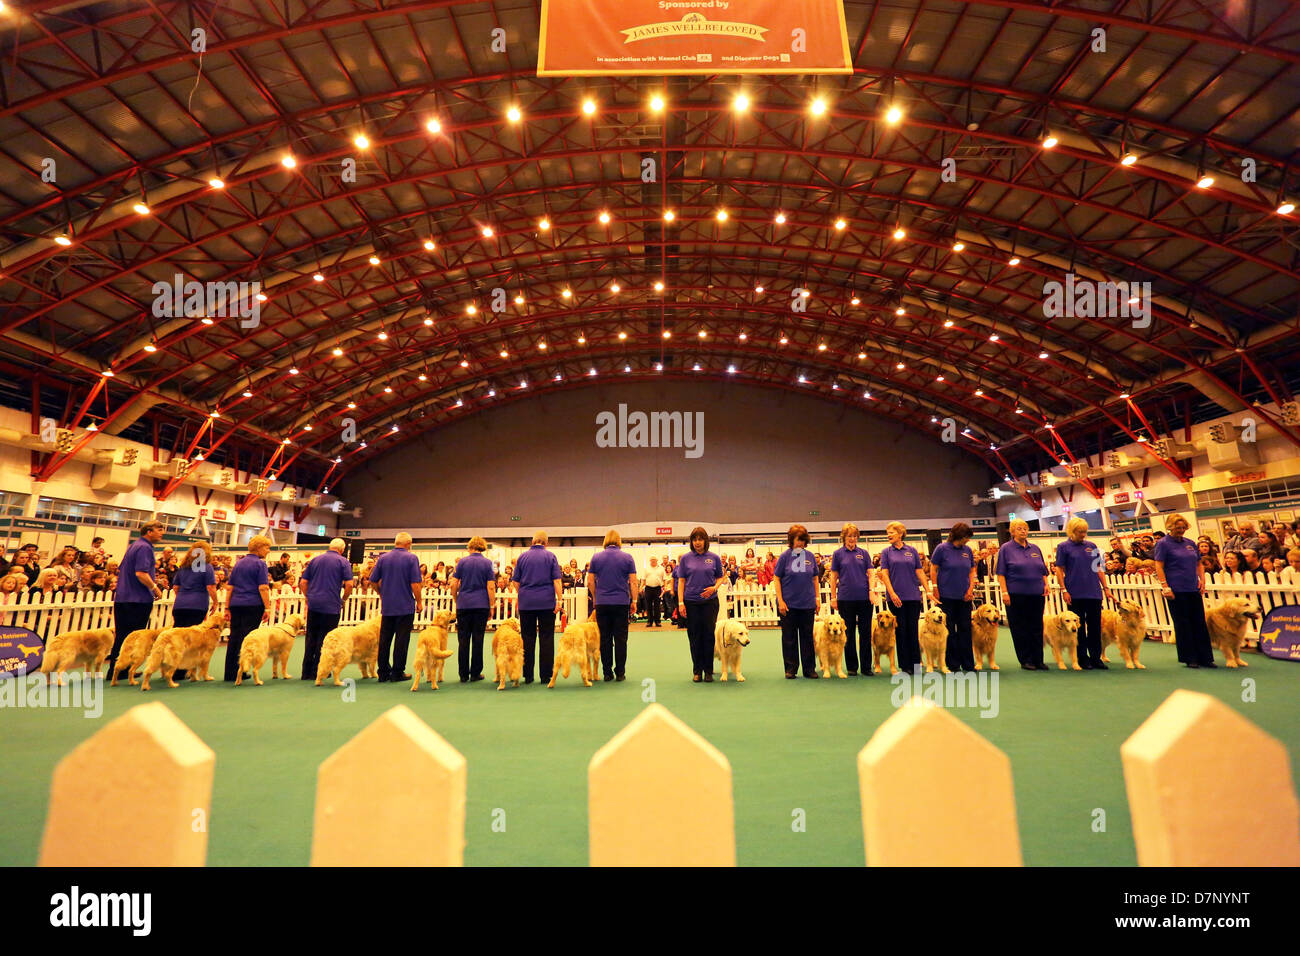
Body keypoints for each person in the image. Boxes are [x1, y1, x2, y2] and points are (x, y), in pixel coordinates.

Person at [1154, 513, 1216, 668]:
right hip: (1176, 589)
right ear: (1170, 527)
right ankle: (1190, 658)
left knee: (1199, 622)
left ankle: (1206, 657)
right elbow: (1159, 566)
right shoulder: (1163, 544)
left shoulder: (1190, 543)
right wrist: (1165, 586)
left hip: (1192, 587)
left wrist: (1202, 579)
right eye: (1177, 528)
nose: (1181, 530)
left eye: (1183, 528)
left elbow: (1198, 563)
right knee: (1183, 624)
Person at [1054, 518, 1115, 670]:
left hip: (1093, 592)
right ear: (1072, 531)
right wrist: (1063, 589)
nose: (1083, 534)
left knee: (1095, 627)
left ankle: (1096, 657)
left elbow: (1099, 568)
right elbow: (1059, 569)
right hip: (1074, 592)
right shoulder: (1063, 547)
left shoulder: (1092, 546)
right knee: (1078, 628)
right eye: (1080, 532)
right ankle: (1082, 658)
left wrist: (1106, 588)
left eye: (1085, 532)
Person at [108, 521, 166, 675]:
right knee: (133, 637)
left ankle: (119, 669)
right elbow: (141, 573)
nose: (162, 533)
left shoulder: (134, 546)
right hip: (137, 599)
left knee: (122, 635)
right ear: (149, 531)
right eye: (159, 530)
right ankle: (122, 670)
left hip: (124, 597)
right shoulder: (145, 548)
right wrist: (155, 588)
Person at [299, 538, 355, 680]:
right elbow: (349, 585)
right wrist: (343, 599)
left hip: (314, 604)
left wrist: (308, 596)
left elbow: (303, 582)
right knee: (327, 639)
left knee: (311, 637)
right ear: (342, 550)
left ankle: (306, 672)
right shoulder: (343, 562)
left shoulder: (315, 560)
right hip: (331, 606)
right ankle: (321, 670)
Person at [674, 527, 726, 682]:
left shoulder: (714, 558)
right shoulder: (685, 559)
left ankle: (708, 671)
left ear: (705, 541)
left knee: (709, 636)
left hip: (710, 603)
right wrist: (681, 602)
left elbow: (720, 578)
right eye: (694, 539)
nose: (697, 542)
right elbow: (681, 581)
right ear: (692, 542)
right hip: (691, 603)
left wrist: (714, 588)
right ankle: (697, 671)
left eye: (700, 539)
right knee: (695, 637)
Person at [996, 519, 1049, 670]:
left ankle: (1038, 659)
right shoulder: (1006, 549)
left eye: (1025, 528)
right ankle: (1026, 660)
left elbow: (1042, 570)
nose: (1023, 531)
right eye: (1019, 529)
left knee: (1037, 627)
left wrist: (1046, 584)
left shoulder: (1035, 549)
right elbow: (1001, 573)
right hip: (1016, 594)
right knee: (1020, 628)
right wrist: (1005, 592)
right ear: (1012, 532)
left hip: (1036, 594)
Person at [511, 531, 562, 685]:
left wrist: (524, 592)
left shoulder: (522, 557)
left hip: (527, 603)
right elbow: (557, 581)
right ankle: (546, 676)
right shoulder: (551, 556)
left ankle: (528, 675)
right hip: (546, 603)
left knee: (527, 638)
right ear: (546, 543)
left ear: (532, 541)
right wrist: (560, 599)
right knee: (546, 638)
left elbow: (515, 581)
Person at [372, 532, 423, 682]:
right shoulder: (411, 558)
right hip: (405, 606)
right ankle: (397, 672)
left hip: (388, 606)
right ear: (408, 543)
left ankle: (382, 672)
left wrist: (381, 593)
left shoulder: (383, 558)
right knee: (402, 640)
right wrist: (419, 601)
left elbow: (373, 581)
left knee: (384, 640)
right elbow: (415, 583)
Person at [587, 530, 637, 682]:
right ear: (619, 541)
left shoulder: (596, 557)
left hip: (603, 603)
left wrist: (595, 597)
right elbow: (633, 582)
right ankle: (620, 672)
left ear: (606, 541)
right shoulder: (627, 558)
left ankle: (607, 672)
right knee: (621, 639)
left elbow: (589, 581)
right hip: (621, 602)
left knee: (605, 638)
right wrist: (634, 601)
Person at [878, 521, 928, 673]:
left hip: (912, 596)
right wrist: (892, 593)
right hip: (895, 598)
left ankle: (916, 665)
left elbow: (919, 572)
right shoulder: (886, 552)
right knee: (901, 631)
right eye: (887, 533)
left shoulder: (912, 551)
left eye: (891, 532)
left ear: (900, 534)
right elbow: (884, 574)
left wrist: (929, 589)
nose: (889, 535)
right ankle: (905, 666)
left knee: (913, 630)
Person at [773, 524, 821, 678]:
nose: (799, 543)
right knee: (789, 638)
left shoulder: (810, 556)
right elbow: (777, 578)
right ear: (791, 541)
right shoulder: (784, 557)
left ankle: (809, 669)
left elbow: (815, 578)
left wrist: (817, 598)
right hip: (788, 605)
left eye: (802, 540)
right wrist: (780, 600)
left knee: (807, 637)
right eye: (796, 540)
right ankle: (790, 669)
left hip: (807, 604)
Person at [223, 535, 272, 681]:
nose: (268, 551)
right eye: (267, 547)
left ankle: (229, 673)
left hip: (236, 605)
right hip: (252, 605)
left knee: (234, 637)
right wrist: (267, 608)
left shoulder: (239, 563)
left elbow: (230, 587)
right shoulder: (260, 564)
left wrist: (227, 607)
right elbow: (263, 588)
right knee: (247, 639)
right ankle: (241, 670)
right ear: (259, 548)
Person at [931, 522, 978, 673]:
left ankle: (968, 664)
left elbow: (972, 571)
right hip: (946, 596)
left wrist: (970, 588)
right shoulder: (941, 549)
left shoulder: (968, 550)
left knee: (965, 630)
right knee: (949, 630)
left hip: (964, 597)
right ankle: (953, 664)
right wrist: (935, 587)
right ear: (959, 535)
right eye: (966, 537)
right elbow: (933, 568)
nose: (968, 540)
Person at [829, 522, 873, 676]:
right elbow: (833, 576)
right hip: (845, 599)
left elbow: (871, 573)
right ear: (844, 537)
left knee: (865, 633)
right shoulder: (838, 554)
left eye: (854, 536)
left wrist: (872, 591)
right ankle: (852, 667)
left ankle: (867, 667)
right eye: (849, 536)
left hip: (864, 599)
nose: (852, 538)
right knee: (848, 633)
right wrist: (833, 597)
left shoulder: (864, 553)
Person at [450, 536, 494, 682]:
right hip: (481, 605)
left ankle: (463, 674)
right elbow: (491, 586)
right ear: (482, 547)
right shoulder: (487, 563)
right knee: (478, 639)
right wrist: (491, 605)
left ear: (470, 547)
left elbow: (454, 583)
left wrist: (456, 598)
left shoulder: (462, 562)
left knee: (463, 639)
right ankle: (475, 673)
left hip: (464, 604)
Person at [642, 556, 666, 628]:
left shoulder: (661, 569)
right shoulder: (646, 569)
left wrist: (664, 587)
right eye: (651, 560)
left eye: (654, 560)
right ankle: (649, 621)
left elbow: (664, 579)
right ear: (650, 561)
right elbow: (643, 579)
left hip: (658, 588)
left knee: (657, 606)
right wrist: (641, 587)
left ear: (657, 560)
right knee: (648, 606)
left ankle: (658, 621)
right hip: (648, 588)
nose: (653, 561)